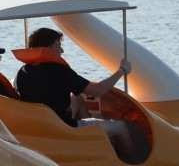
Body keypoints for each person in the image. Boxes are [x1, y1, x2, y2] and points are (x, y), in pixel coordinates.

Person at [14, 27, 140, 157]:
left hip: (40, 126)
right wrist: (122, 71)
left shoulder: (23, 72)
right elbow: (97, 91)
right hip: (63, 127)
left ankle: (91, 141)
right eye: (58, 45)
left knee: (78, 97)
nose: (61, 50)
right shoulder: (59, 71)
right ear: (48, 47)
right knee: (120, 127)